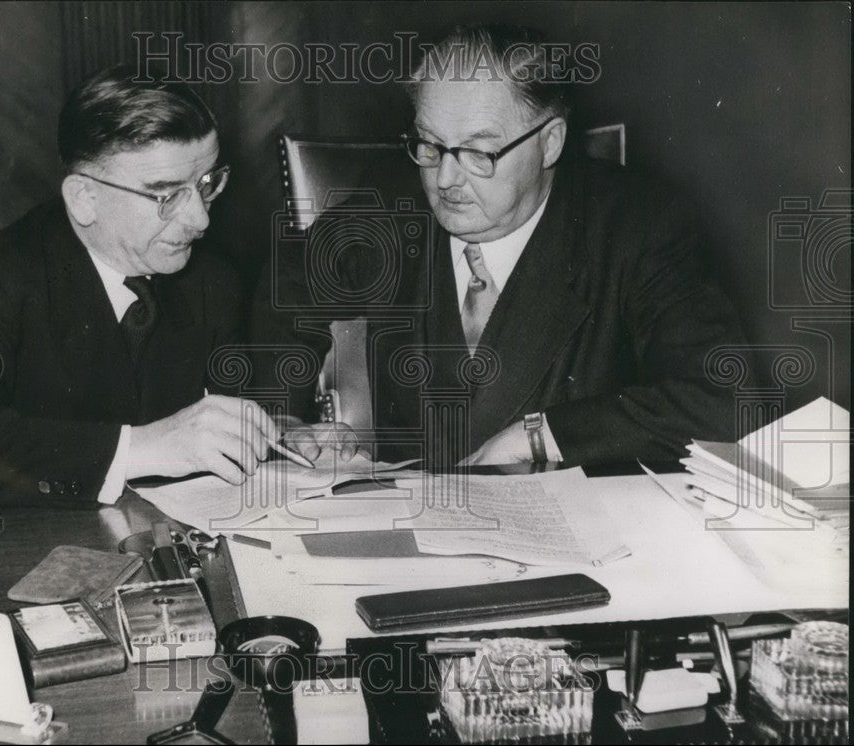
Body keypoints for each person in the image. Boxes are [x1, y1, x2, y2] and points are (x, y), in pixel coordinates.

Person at [255, 24, 747, 467]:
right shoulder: (393, 204)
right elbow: (289, 284)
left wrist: (543, 436)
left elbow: (725, 400)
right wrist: (280, 423)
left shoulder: (639, 225)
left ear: (550, 142)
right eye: (429, 144)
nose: (445, 179)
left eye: (478, 152)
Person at [0, 64, 280, 507]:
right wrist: (142, 448)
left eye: (207, 183)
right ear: (84, 199)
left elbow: (222, 427)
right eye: (167, 194)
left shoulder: (213, 282)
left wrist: (281, 437)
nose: (201, 219)